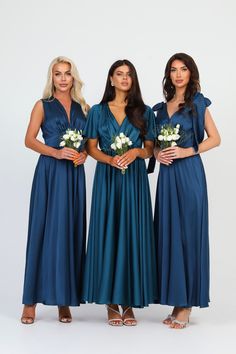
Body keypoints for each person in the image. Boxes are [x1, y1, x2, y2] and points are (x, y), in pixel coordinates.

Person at [148, 53, 221, 328]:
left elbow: (216, 138)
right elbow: (152, 145)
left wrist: (188, 150)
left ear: (191, 73)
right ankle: (176, 300)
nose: (179, 74)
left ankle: (187, 305)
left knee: (189, 235)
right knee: (169, 234)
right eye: (173, 70)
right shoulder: (159, 109)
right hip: (167, 177)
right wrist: (157, 152)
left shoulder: (198, 104)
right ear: (168, 75)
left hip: (190, 175)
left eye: (184, 69)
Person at [82, 59, 157, 326]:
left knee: (132, 234)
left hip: (135, 180)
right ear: (111, 79)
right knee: (109, 233)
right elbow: (91, 148)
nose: (125, 78)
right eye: (119, 74)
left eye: (129, 75)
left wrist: (137, 151)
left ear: (133, 80)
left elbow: (150, 149)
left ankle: (129, 301)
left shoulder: (145, 111)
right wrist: (109, 159)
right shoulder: (98, 112)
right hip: (108, 178)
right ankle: (111, 302)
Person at [21, 56, 88, 324]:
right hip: (50, 173)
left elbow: (89, 144)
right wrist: (55, 152)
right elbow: (28, 140)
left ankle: (64, 300)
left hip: (74, 176)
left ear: (74, 78)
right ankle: (30, 302)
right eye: (57, 73)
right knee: (42, 230)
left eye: (67, 73)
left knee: (70, 232)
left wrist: (83, 155)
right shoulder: (42, 105)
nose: (62, 78)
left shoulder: (85, 107)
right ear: (52, 78)